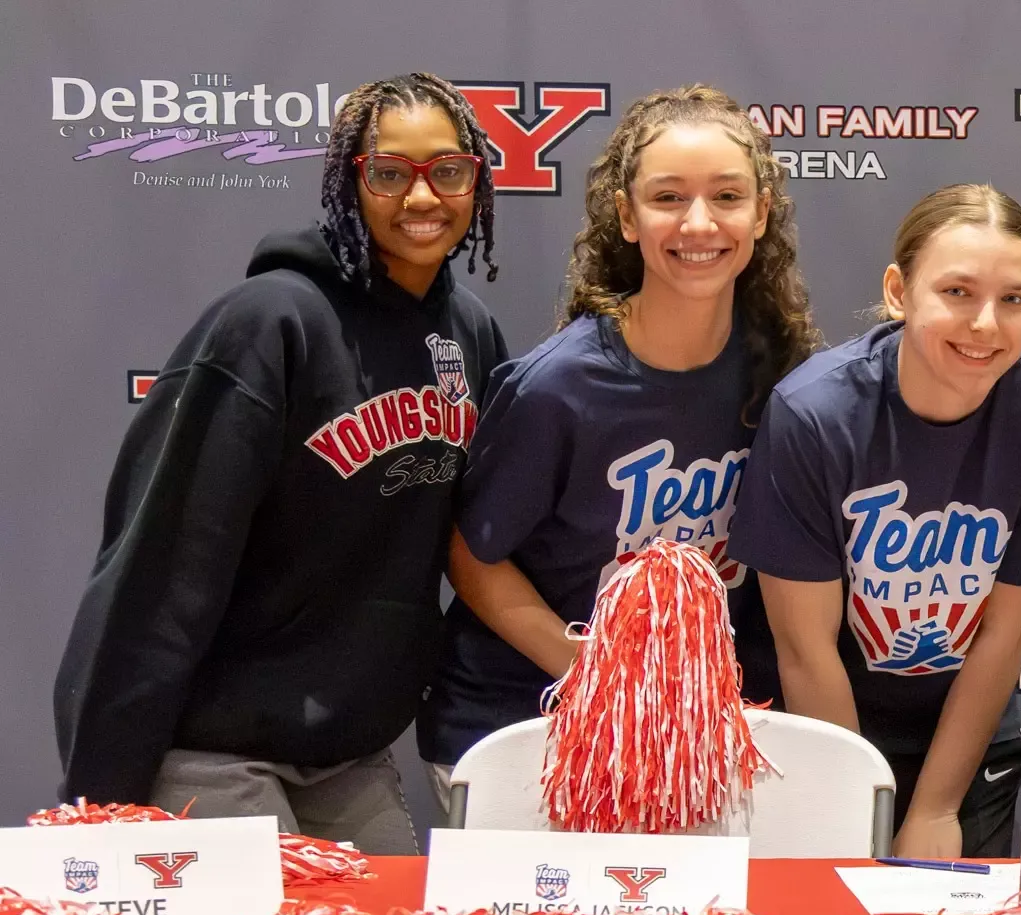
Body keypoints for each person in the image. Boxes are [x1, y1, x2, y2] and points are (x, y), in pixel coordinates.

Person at [53, 74, 510, 852]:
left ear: (477, 179)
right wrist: (103, 798)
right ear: (349, 182)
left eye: (448, 170)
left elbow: (486, 543)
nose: (422, 196)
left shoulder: (469, 333)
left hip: (348, 753)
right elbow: (164, 565)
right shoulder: (268, 323)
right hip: (216, 744)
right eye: (391, 173)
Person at [417, 85, 816, 802]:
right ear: (626, 217)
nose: (699, 222)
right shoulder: (557, 387)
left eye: (727, 196)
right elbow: (473, 558)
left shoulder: (784, 374)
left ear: (761, 212)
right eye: (668, 198)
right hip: (525, 728)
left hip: (693, 738)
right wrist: (592, 670)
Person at [731, 184, 1021, 859]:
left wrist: (933, 808)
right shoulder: (815, 413)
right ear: (899, 291)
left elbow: (1003, 633)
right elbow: (805, 649)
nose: (985, 323)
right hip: (817, 736)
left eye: (1014, 299)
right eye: (957, 292)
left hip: (961, 745)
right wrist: (857, 806)